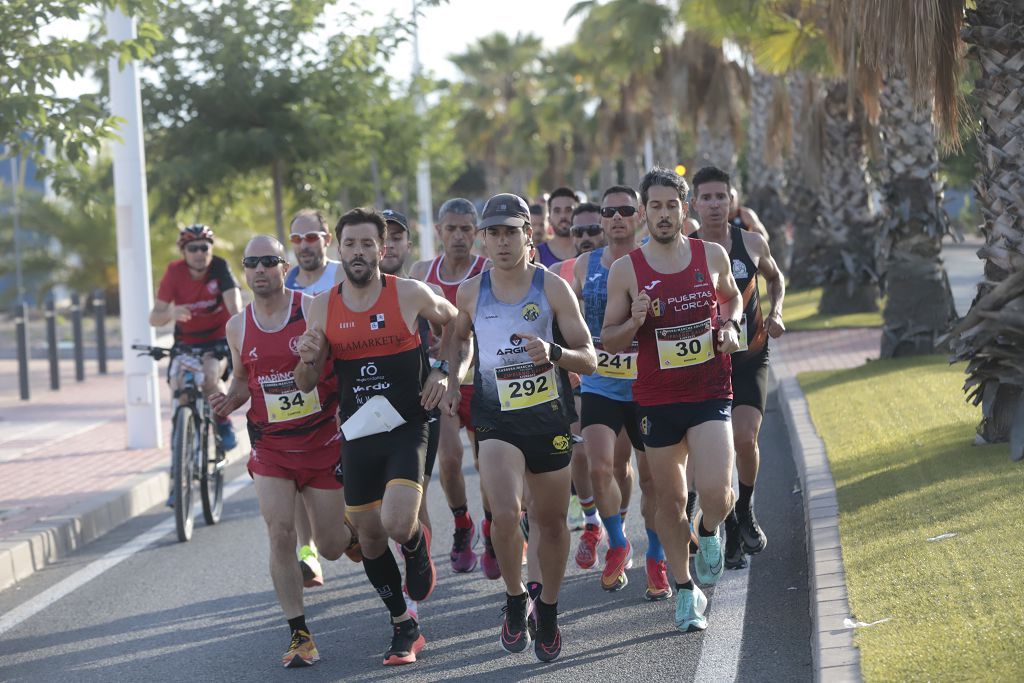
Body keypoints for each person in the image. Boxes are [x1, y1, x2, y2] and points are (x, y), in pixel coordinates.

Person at [296, 207, 457, 666]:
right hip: (359, 433)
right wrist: (308, 358)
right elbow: (305, 384)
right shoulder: (323, 306)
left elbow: (454, 320)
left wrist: (443, 369)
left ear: (382, 250)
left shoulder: (408, 293)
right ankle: (404, 626)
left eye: (368, 244)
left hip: (409, 423)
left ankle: (413, 542)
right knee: (367, 539)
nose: (360, 252)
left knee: (395, 521)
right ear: (339, 249)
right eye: (351, 244)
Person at [446, 193, 596, 663]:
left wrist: (553, 354)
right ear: (483, 239)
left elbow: (588, 358)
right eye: (493, 232)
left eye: (511, 231)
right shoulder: (470, 291)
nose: (502, 241)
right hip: (496, 421)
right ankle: (515, 598)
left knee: (551, 523)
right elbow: (459, 345)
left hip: (548, 419)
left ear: (529, 236)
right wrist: (452, 379)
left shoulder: (552, 288)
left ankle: (547, 609)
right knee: (506, 513)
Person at [601, 166, 742, 633]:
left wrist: (730, 324)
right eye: (655, 206)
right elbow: (610, 340)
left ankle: (708, 532)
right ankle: (685, 592)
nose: (663, 214)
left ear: (686, 210)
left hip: (708, 391)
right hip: (657, 400)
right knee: (670, 500)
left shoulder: (712, 255)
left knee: (719, 493)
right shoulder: (627, 270)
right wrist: (635, 319)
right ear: (643, 213)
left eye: (671, 205)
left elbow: (732, 298)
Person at [208, 235, 358, 668]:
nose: (259, 270)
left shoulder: (311, 307)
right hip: (271, 448)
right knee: (280, 534)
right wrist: (228, 400)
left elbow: (337, 359)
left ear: (282, 265)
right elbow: (241, 380)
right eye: (251, 262)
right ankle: (299, 634)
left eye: (268, 261)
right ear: (244, 270)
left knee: (330, 546)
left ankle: (349, 535)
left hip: (321, 442)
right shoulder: (237, 326)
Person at [690, 166, 786, 569]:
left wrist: (777, 311)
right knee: (716, 453)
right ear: (693, 203)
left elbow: (777, 279)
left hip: (749, 357)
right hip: (702, 365)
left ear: (733, 200)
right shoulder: (684, 249)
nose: (714, 204)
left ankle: (744, 509)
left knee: (744, 440)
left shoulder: (751, 242)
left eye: (721, 197)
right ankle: (727, 529)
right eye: (706, 198)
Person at [574, 185, 666, 599]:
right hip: (600, 382)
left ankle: (657, 558)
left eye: (625, 210)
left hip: (647, 383)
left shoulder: (654, 259)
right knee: (598, 468)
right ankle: (618, 542)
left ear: (640, 215)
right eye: (608, 212)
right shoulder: (582, 266)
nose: (615, 218)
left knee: (652, 479)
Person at [408, 198, 493, 576]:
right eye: (451, 229)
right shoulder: (422, 272)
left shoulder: (487, 270)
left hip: (484, 381)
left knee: (487, 463)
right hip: (437, 382)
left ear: (476, 233)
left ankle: (494, 529)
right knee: (449, 460)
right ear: (439, 230)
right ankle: (463, 525)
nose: (459, 236)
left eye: (466, 229)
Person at [149, 224, 242, 503]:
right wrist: (171, 312)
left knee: (210, 375)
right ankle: (179, 472)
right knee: (179, 389)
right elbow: (154, 318)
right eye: (193, 248)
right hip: (186, 343)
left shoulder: (220, 269)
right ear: (184, 252)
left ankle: (223, 422)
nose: (200, 253)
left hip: (216, 342)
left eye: (205, 247)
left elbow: (235, 308)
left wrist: (241, 337)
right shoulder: (174, 272)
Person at [277, 209, 340, 591]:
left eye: (311, 237)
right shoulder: (284, 281)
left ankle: (344, 529)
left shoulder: (342, 275)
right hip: (303, 388)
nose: (303, 246)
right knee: (293, 466)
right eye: (296, 239)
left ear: (327, 240)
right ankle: (306, 550)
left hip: (345, 386)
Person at [534, 187, 578, 267]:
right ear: (549, 218)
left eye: (568, 210)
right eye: (557, 211)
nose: (563, 216)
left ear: (577, 215)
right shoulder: (537, 255)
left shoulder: (587, 250)